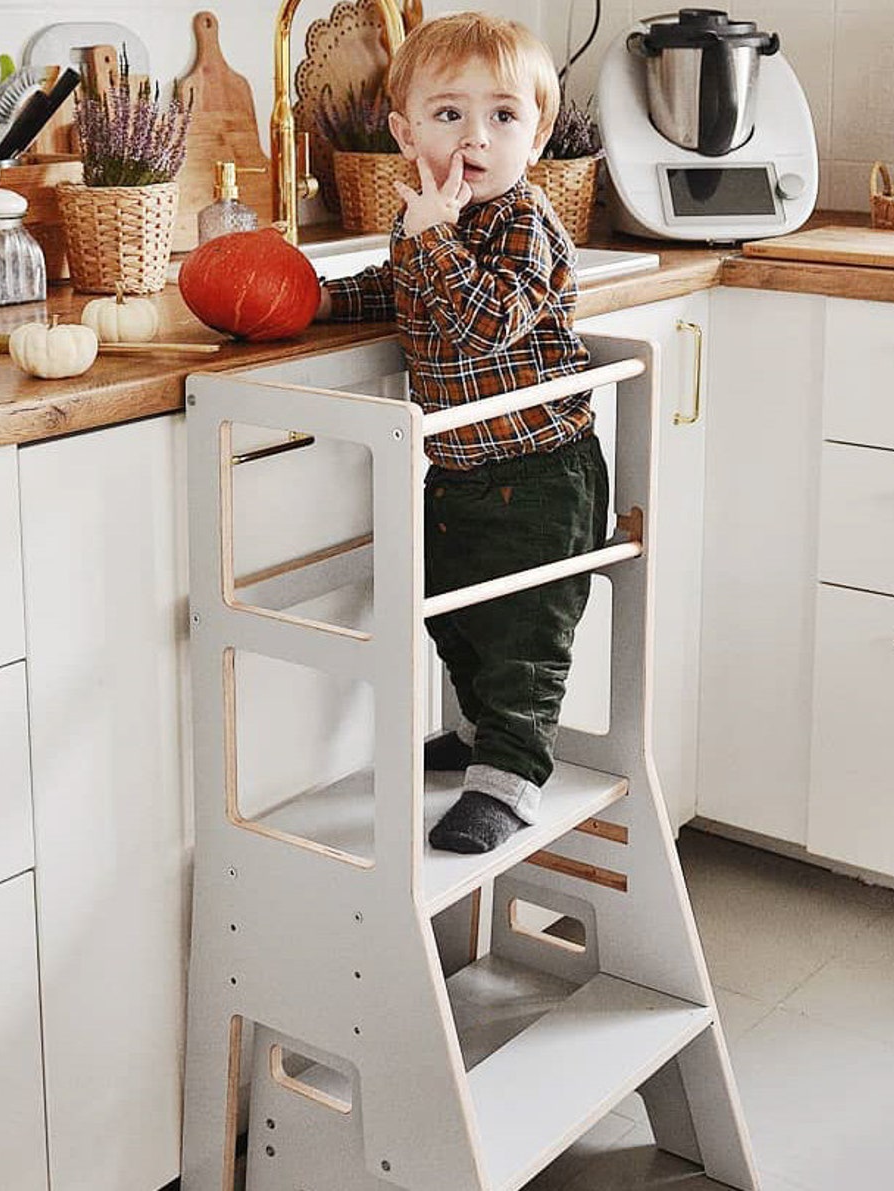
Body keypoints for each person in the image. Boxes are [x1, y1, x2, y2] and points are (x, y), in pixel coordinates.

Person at [317, 11, 608, 855]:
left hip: (543, 475)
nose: (474, 138)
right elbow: (401, 290)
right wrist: (327, 299)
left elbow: (485, 324)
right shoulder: (434, 224)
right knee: (456, 620)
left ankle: (513, 775)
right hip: (459, 474)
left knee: (525, 635)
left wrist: (430, 236)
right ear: (405, 131)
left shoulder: (524, 224)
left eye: (503, 117)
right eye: (448, 115)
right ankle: (484, 738)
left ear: (539, 131)